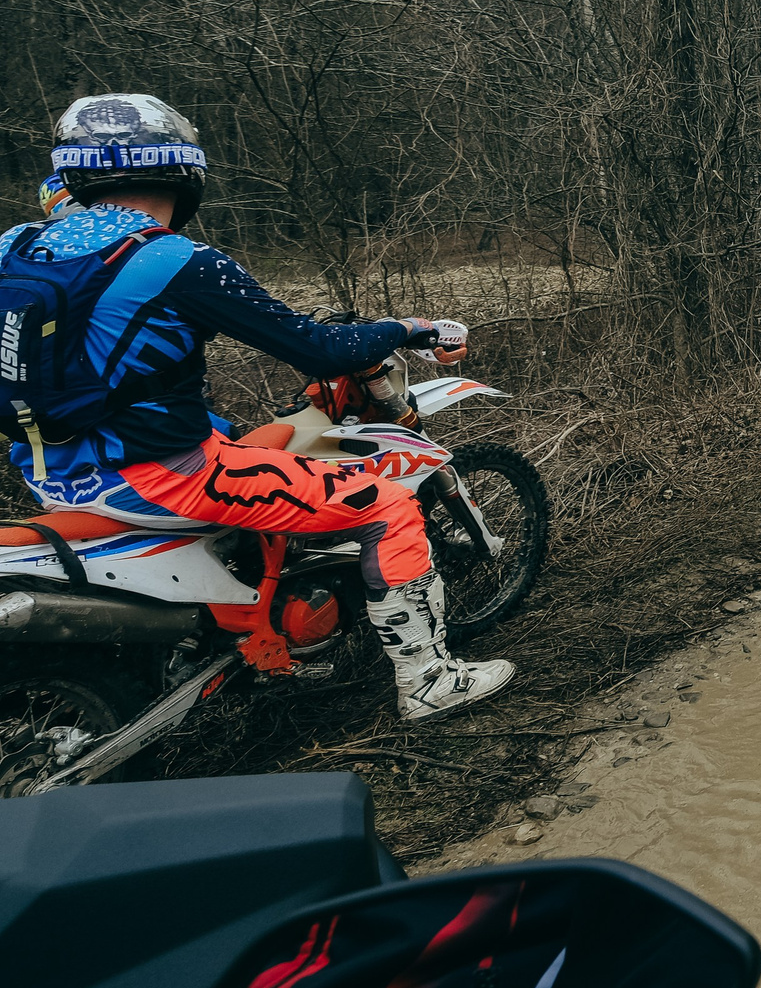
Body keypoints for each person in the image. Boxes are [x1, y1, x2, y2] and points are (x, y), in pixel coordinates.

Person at [0, 94, 508, 722]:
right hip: (165, 480)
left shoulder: (15, 246)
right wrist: (412, 327)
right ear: (183, 174)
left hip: (53, 475)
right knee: (389, 507)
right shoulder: (174, 259)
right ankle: (430, 679)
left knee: (255, 446)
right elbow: (319, 350)